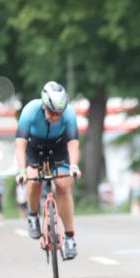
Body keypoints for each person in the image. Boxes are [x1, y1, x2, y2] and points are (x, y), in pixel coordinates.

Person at [14, 81, 82, 259]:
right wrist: (21, 170)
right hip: (34, 146)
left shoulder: (69, 113)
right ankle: (33, 215)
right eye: (52, 112)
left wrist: (74, 166)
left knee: (63, 185)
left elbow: (73, 144)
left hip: (59, 146)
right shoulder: (30, 110)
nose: (56, 117)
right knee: (33, 179)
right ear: (44, 106)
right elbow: (20, 144)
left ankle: (70, 238)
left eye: (59, 113)